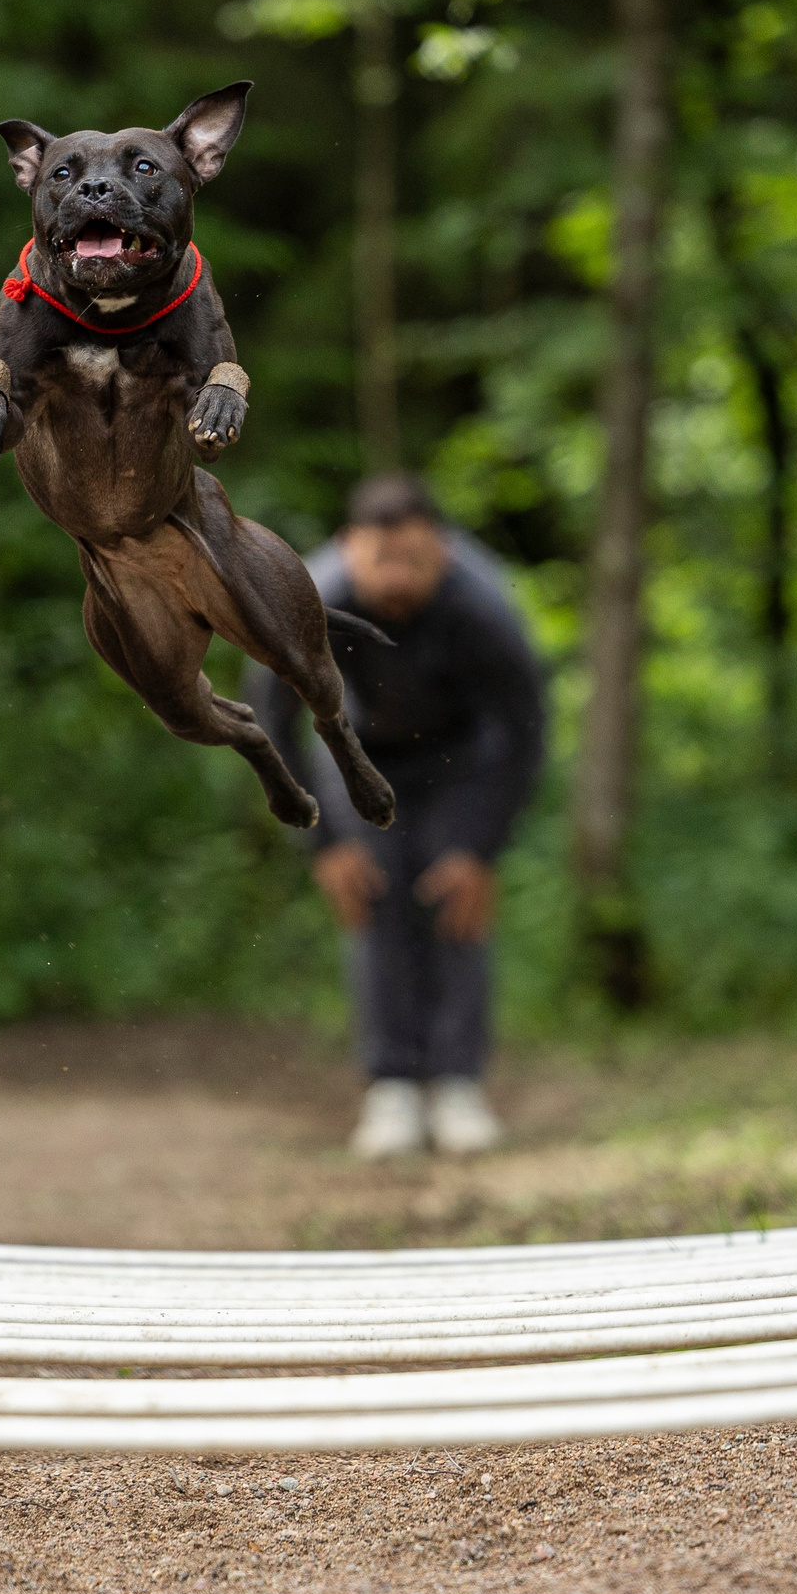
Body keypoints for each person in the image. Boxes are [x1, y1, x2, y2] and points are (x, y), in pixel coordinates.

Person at [248, 474, 546, 1157]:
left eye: (414, 559)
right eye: (382, 559)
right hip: (353, 751)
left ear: (441, 550)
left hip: (462, 757)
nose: (397, 576)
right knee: (371, 897)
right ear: (349, 548)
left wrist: (483, 848)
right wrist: (321, 845)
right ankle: (393, 1086)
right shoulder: (308, 601)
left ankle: (457, 1082)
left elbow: (526, 730)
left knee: (455, 898)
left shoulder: (484, 606)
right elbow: (270, 721)